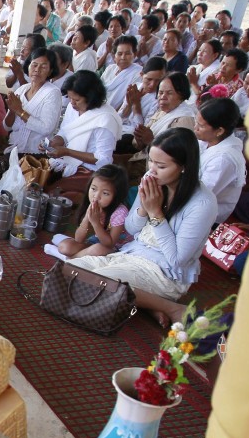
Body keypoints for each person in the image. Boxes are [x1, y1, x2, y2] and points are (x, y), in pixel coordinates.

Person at [69, 128, 217, 325]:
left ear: (184, 167)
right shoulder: (152, 179)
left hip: (164, 272)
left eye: (161, 166)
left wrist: (156, 213)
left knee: (98, 285)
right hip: (132, 255)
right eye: (151, 161)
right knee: (69, 270)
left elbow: (177, 259)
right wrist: (143, 209)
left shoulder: (203, 203)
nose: (152, 170)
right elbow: (131, 228)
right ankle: (148, 304)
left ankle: (172, 307)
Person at [45, 71, 123, 198]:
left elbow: (104, 159)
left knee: (53, 193)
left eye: (76, 99)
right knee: (36, 179)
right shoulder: (73, 107)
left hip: (90, 170)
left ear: (91, 97)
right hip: (66, 161)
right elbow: (65, 132)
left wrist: (68, 152)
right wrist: (54, 143)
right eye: (69, 98)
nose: (72, 103)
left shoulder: (105, 119)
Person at [46, 164, 131, 259]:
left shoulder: (120, 213)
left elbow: (110, 244)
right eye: (94, 189)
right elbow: (78, 239)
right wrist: (87, 218)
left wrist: (95, 223)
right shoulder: (94, 206)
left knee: (97, 249)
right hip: (96, 241)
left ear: (117, 196)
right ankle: (70, 254)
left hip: (116, 250)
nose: (96, 196)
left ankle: (68, 259)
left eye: (105, 193)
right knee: (66, 246)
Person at [126, 73, 197, 176]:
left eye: (169, 93)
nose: (162, 97)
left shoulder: (184, 119)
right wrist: (139, 139)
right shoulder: (162, 111)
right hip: (140, 158)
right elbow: (140, 145)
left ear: (181, 94)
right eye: (160, 93)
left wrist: (151, 141)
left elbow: (175, 158)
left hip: (153, 170)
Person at [194, 97, 246, 224]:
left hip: (205, 216)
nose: (195, 128)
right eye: (196, 122)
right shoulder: (207, 141)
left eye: (200, 126)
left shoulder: (223, 159)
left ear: (219, 131)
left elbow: (200, 195)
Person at [4, 48, 63, 154]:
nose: (37, 70)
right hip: (13, 148)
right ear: (28, 66)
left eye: (43, 67)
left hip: (35, 155)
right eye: (34, 65)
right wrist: (12, 110)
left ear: (50, 71)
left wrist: (20, 111)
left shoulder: (53, 93)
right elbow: (7, 126)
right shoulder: (22, 89)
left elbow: (46, 128)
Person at [118, 56, 165, 144]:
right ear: (141, 75)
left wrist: (136, 105)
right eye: (149, 79)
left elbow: (142, 130)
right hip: (120, 128)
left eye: (158, 81)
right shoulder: (135, 87)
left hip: (132, 137)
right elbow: (119, 117)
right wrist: (128, 105)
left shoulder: (159, 99)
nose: (152, 85)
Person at [102, 35, 142, 111]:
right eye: (120, 54)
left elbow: (128, 102)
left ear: (135, 54)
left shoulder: (138, 73)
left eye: (127, 53)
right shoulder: (110, 69)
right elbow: (99, 90)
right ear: (114, 55)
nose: (123, 57)